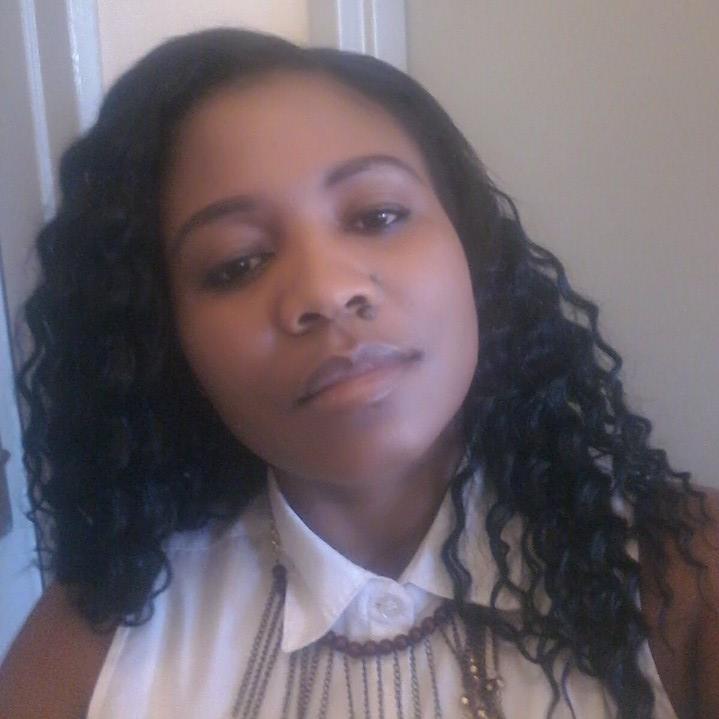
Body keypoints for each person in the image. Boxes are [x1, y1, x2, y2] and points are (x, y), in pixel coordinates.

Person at [0, 27, 716, 719]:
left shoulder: (686, 575)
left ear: (472, 252)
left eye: (377, 215)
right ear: (167, 335)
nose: (325, 290)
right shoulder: (92, 639)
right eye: (237, 263)